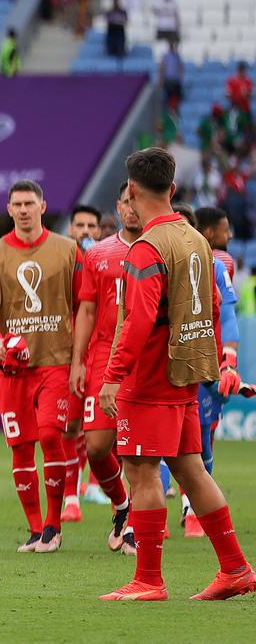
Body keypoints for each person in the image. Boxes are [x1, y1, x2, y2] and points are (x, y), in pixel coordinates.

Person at [98, 147, 253, 601]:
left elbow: (139, 320)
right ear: (172, 188)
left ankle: (148, 579)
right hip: (185, 375)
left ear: (131, 190)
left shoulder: (147, 247)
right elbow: (216, 307)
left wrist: (113, 375)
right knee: (190, 469)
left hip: (150, 377)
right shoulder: (197, 240)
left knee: (140, 471)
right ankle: (236, 568)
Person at [0, 180, 81, 553]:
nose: (23, 209)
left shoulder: (68, 250)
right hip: (12, 369)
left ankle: (54, 526)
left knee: (52, 437)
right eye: (17, 204)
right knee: (20, 448)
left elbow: (84, 304)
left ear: (43, 206)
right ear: (8, 209)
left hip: (55, 361)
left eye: (29, 203)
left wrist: (80, 357)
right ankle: (35, 530)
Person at [69, 183, 141, 554]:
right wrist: (78, 361)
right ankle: (121, 504)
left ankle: (135, 528)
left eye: (137, 201)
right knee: (97, 447)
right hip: (102, 360)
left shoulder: (160, 247)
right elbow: (87, 309)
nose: (132, 208)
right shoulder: (98, 254)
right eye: (126, 202)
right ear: (118, 206)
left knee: (137, 451)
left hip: (145, 361)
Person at [178, 206, 240, 538]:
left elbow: (228, 317)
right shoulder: (150, 263)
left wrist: (228, 360)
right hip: (162, 368)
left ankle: (193, 509)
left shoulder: (215, 266)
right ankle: (144, 522)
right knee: (151, 448)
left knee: (200, 443)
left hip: (201, 367)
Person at [59, 204, 101, 523]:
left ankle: (104, 489)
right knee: (71, 427)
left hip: (102, 355)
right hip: (71, 356)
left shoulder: (107, 260)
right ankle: (71, 497)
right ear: (70, 229)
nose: (86, 230)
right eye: (80, 225)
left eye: (91, 225)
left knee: (102, 430)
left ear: (99, 230)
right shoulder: (61, 261)